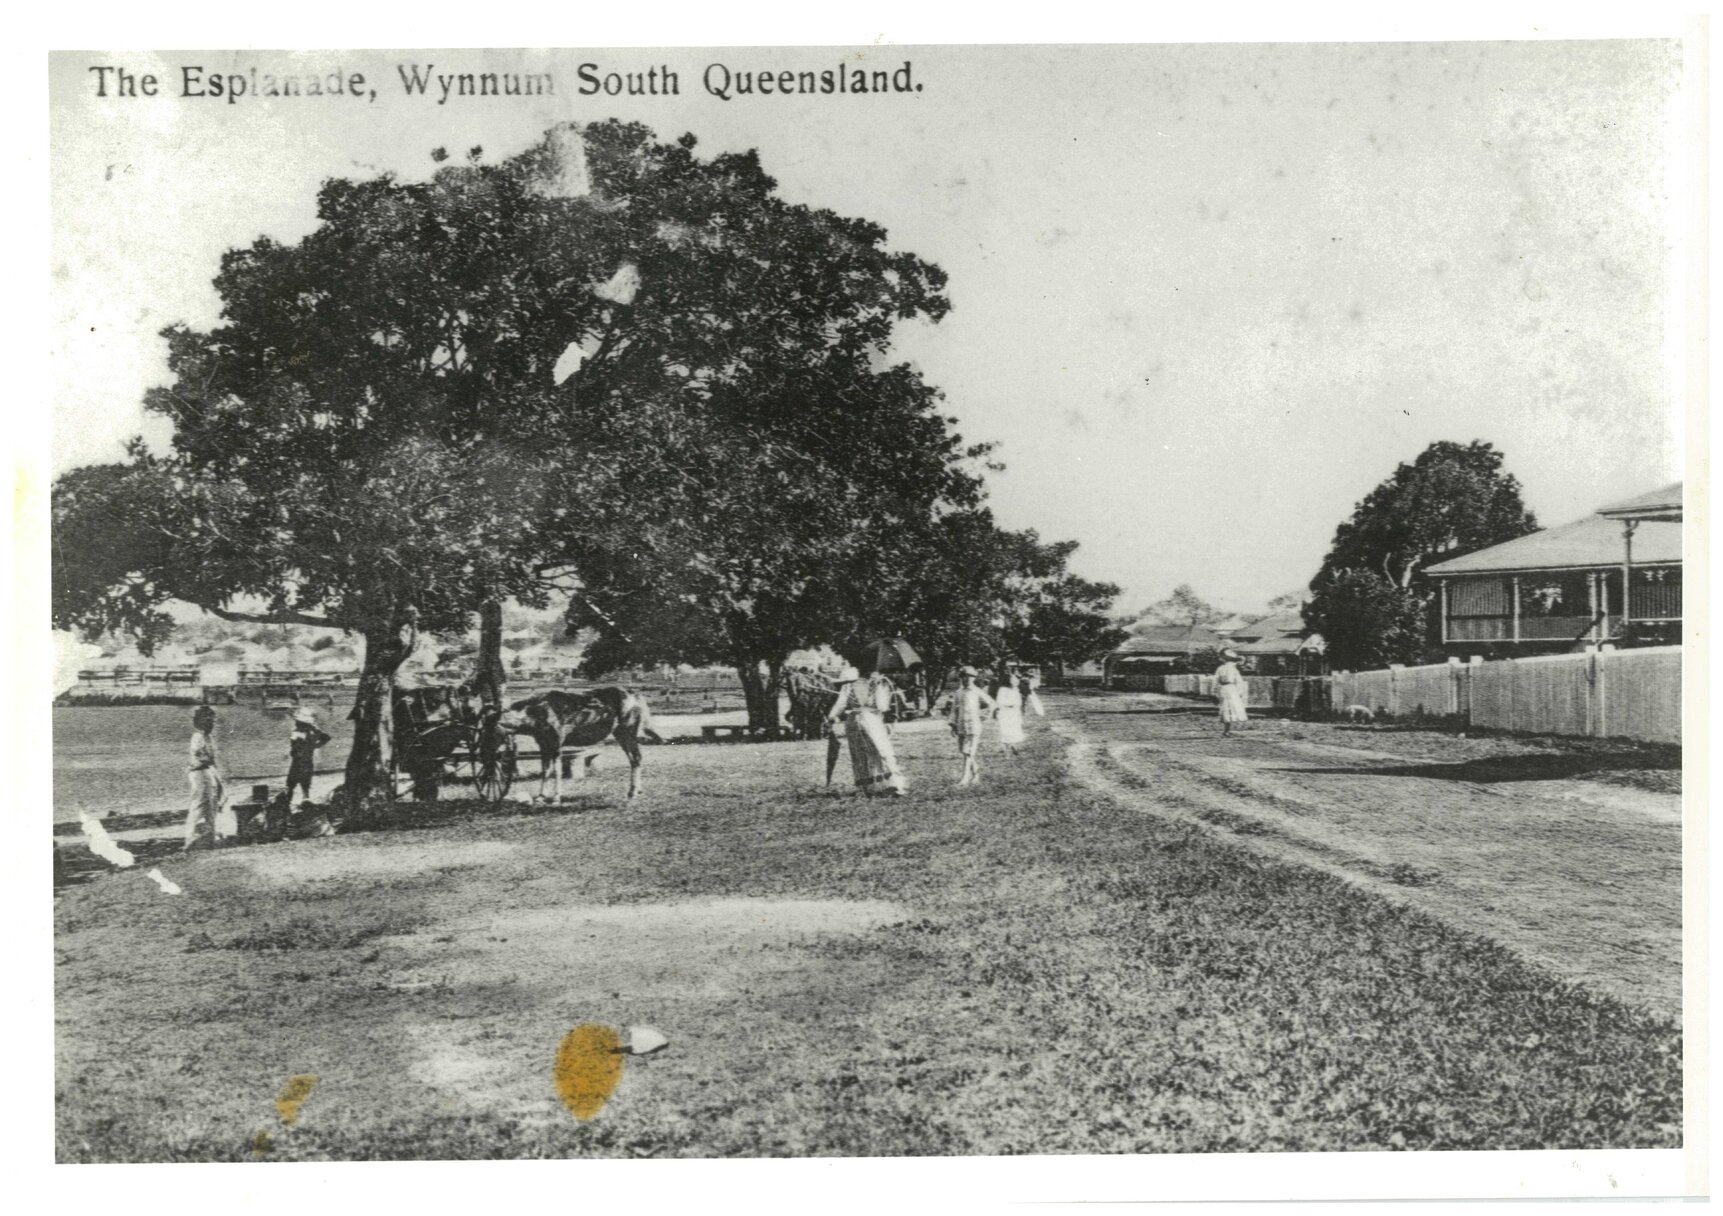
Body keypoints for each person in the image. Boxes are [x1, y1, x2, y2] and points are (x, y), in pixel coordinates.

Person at [825, 666, 907, 797]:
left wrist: (830, 718)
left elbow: (840, 704)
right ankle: (894, 785)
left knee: (859, 755)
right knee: (882, 751)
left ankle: (866, 787)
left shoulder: (848, 686)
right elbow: (882, 706)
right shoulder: (878, 683)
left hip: (852, 720)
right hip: (871, 719)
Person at [184, 705, 230, 850]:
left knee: (213, 805)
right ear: (201, 722)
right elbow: (200, 757)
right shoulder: (198, 737)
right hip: (199, 774)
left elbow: (210, 759)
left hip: (207, 772)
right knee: (198, 805)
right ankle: (191, 838)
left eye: (212, 721)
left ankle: (211, 835)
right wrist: (209, 764)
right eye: (208, 721)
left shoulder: (207, 737)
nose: (211, 724)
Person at [942, 666, 997, 786]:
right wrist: (952, 725)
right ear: (961, 678)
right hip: (961, 725)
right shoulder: (959, 693)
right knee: (964, 751)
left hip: (973, 725)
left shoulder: (977, 691)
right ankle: (975, 774)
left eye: (970, 677)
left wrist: (984, 716)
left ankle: (964, 779)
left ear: (974, 678)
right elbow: (953, 710)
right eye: (964, 677)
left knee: (968, 752)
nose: (967, 680)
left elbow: (991, 704)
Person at [286, 708, 334, 804]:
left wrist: (314, 746)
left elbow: (295, 745)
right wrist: (315, 745)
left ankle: (288, 801)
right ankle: (304, 799)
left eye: (298, 721)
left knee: (292, 783)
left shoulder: (299, 731)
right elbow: (326, 737)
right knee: (304, 782)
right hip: (306, 759)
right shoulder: (313, 731)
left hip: (299, 760)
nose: (296, 723)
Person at [1214, 648, 1249, 737]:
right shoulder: (1233, 669)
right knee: (1230, 708)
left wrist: (1215, 691)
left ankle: (1226, 730)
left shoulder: (1220, 668)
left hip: (1223, 688)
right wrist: (1239, 691)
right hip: (1231, 688)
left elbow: (1215, 680)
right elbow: (1238, 681)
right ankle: (1226, 731)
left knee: (1225, 707)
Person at [993, 674, 1025, 757]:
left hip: (1014, 713)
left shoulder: (1016, 690)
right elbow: (999, 701)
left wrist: (1017, 708)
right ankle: (1007, 751)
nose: (1015, 681)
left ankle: (1014, 746)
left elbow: (1019, 702)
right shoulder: (1003, 690)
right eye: (1013, 679)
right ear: (1008, 681)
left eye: (1016, 680)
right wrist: (1009, 704)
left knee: (1014, 730)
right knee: (1006, 731)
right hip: (1005, 712)